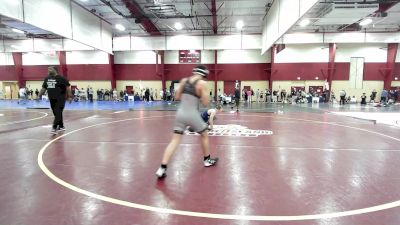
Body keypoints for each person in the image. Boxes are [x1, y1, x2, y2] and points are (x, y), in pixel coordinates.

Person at [155, 65, 218, 178]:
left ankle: (162, 168)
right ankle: (207, 160)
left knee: (174, 141)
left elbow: (177, 97)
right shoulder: (202, 83)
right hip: (192, 114)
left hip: (180, 114)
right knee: (204, 134)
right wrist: (204, 94)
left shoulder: (184, 81)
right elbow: (205, 102)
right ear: (205, 74)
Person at [39, 66, 72, 134]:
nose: (48, 70)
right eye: (48, 69)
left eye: (50, 69)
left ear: (55, 70)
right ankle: (61, 126)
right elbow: (44, 88)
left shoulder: (61, 78)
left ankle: (54, 128)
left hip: (60, 99)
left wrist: (70, 96)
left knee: (58, 113)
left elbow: (68, 86)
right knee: (56, 113)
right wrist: (39, 95)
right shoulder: (47, 78)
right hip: (51, 99)